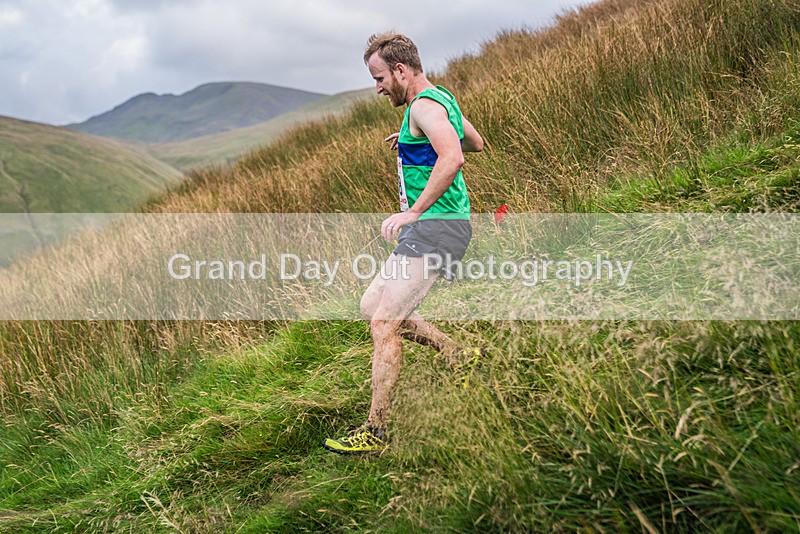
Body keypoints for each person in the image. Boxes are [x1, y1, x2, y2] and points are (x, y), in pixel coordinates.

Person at [323, 32, 484, 455]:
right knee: (371, 307)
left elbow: (455, 156)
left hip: (437, 226)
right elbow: (473, 141)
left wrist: (413, 211)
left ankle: (374, 432)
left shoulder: (425, 106)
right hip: (430, 227)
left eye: (379, 79)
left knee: (384, 323)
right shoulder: (439, 99)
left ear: (400, 70)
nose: (378, 88)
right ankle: (457, 353)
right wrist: (415, 144)